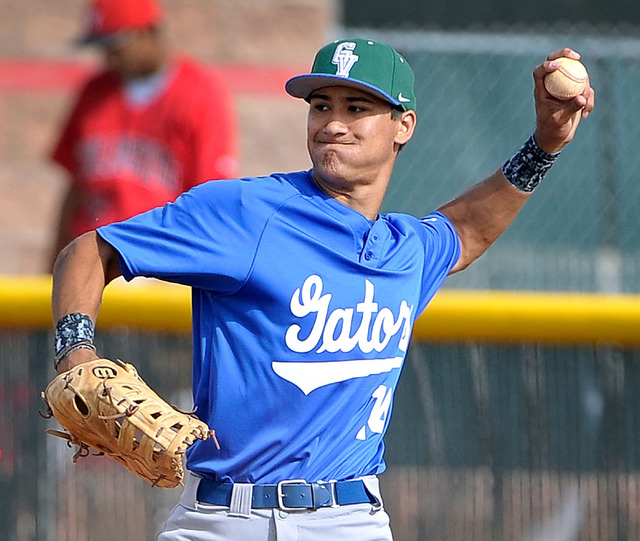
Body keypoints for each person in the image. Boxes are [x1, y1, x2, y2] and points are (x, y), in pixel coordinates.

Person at [50, 38, 594, 540]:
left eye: (356, 108)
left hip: (349, 520)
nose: (333, 123)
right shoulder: (245, 212)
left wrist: (545, 145)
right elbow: (90, 252)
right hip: (221, 518)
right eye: (321, 106)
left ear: (403, 126)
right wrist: (74, 354)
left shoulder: (404, 250)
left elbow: (470, 228)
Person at [49, 0, 238, 269]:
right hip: (90, 258)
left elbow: (210, 198)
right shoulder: (93, 91)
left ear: (146, 32)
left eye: (114, 46)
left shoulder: (201, 91)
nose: (108, 57)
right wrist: (54, 266)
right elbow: (75, 187)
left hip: (156, 260)